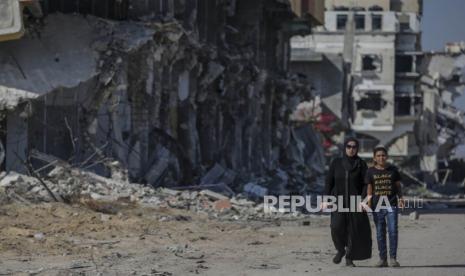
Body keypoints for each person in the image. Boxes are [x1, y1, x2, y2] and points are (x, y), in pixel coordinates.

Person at [323, 137, 372, 267]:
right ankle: (340, 249)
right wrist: (326, 199)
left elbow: (366, 184)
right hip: (337, 201)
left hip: (355, 202)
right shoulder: (336, 163)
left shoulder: (361, 164)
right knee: (336, 227)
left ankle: (350, 257)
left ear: (357, 149)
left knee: (353, 230)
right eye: (349, 146)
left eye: (354, 147)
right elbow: (329, 182)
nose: (351, 149)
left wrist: (363, 200)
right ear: (345, 148)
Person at [365, 145, 404, 267]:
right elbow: (370, 187)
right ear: (374, 158)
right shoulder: (370, 171)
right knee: (380, 232)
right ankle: (383, 259)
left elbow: (398, 186)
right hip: (377, 205)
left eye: (383, 155)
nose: (381, 158)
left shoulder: (393, 169)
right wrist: (369, 201)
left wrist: (401, 198)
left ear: (386, 157)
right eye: (378, 156)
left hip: (391, 204)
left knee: (393, 231)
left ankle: (393, 258)